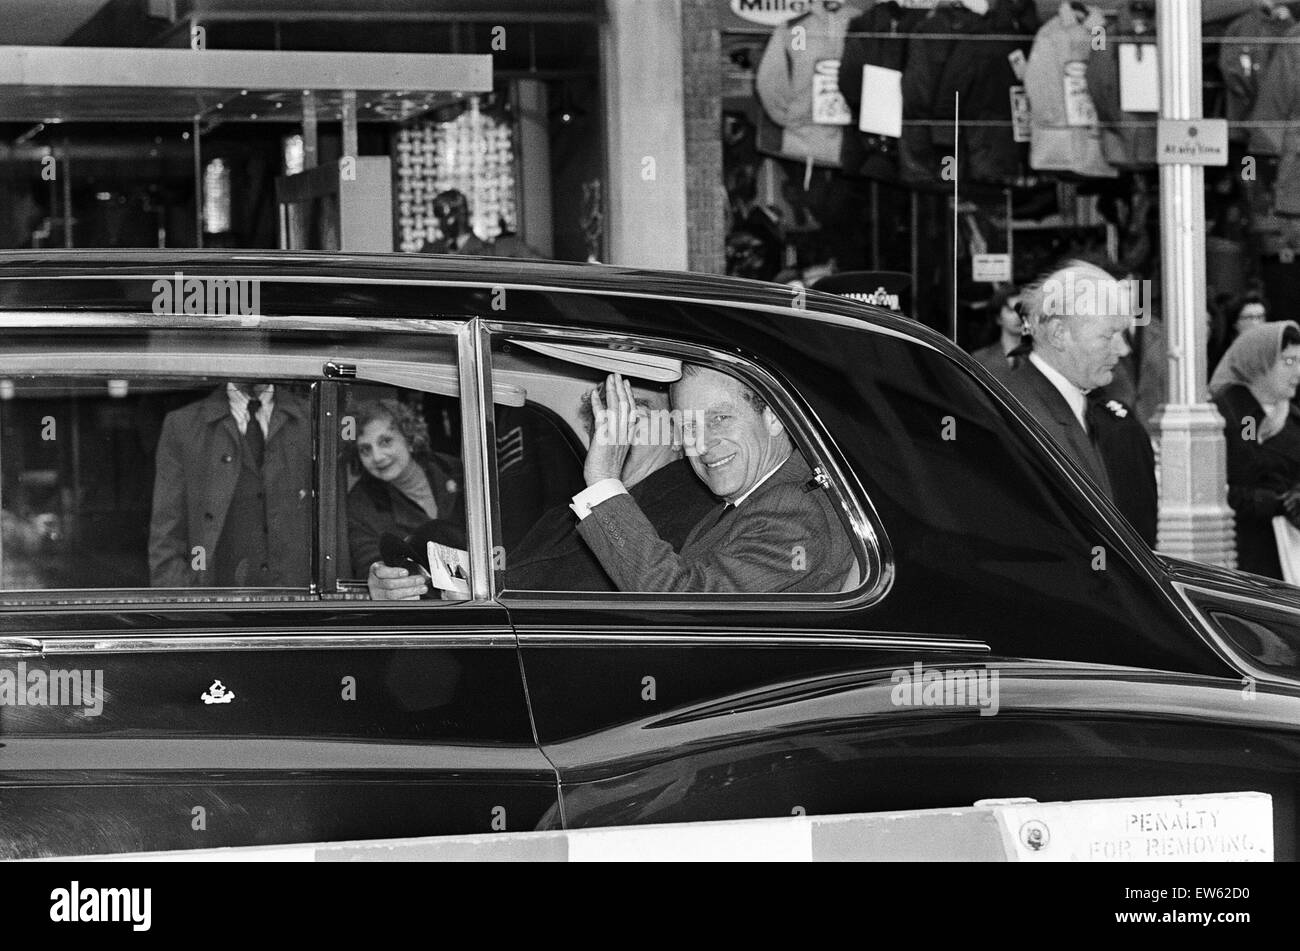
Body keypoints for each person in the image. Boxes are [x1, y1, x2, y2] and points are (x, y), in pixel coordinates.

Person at [367, 387, 717, 600]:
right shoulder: (572, 511)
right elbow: (512, 570)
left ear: (675, 434)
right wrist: (405, 586)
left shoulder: (696, 509)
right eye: (602, 417)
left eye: (632, 415)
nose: (611, 431)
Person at [567, 367, 855, 593]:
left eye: (719, 419)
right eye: (688, 426)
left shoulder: (794, 513)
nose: (701, 444)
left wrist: (603, 480)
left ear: (774, 417)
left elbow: (681, 605)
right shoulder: (744, 505)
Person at [994, 260, 1158, 547]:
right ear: (1059, 334)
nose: (1123, 349)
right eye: (1109, 335)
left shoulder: (1094, 410)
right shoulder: (1017, 414)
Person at [149, 382, 312, 587]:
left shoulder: (314, 420)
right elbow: (167, 534)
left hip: (299, 610)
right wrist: (187, 610)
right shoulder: (182, 425)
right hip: (216, 610)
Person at [1209, 321, 1300, 579]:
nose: (1298, 372)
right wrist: (1269, 502)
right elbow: (1213, 487)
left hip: (1290, 556)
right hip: (1242, 555)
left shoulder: (1291, 417)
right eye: (1289, 361)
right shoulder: (1224, 413)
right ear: (1259, 362)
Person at [346, 399, 464, 579]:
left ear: (410, 439)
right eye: (365, 450)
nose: (377, 457)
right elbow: (372, 569)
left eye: (385, 441)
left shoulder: (457, 470)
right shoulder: (360, 506)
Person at [419, 189, 491, 255]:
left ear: (462, 213)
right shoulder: (429, 251)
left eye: (443, 214)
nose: (440, 221)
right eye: (438, 214)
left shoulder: (488, 252)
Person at [969, 286, 1022, 373]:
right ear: (998, 318)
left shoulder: (1040, 357)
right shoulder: (981, 360)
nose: (1018, 316)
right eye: (1011, 310)